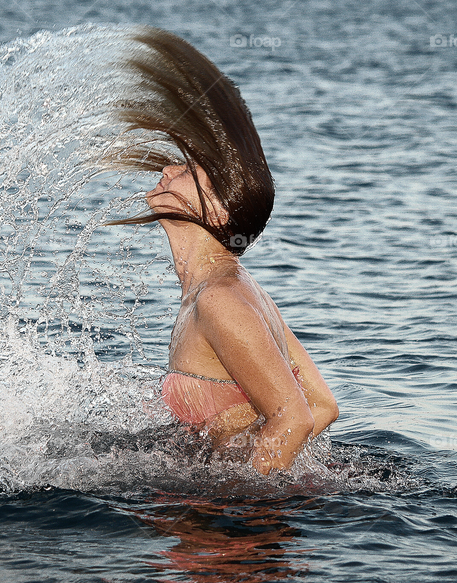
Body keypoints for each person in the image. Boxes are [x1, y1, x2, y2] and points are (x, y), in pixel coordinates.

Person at [108, 27, 338, 474]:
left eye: (190, 169)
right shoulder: (234, 288)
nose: (169, 168)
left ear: (215, 211)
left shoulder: (219, 301)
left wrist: (245, 507)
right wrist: (229, 439)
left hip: (229, 531)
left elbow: (295, 417)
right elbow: (322, 403)